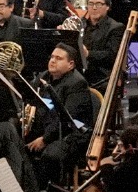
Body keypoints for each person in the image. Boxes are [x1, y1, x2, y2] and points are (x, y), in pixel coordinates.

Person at [27, 41, 94, 182]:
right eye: (52, 57)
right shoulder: (43, 77)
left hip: (71, 134)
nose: (52, 61)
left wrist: (44, 139)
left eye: (58, 58)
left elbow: (67, 119)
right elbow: (30, 100)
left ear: (71, 64)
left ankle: (49, 188)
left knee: (51, 155)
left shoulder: (77, 83)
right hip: (48, 127)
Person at [77, 0, 125, 88]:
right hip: (80, 72)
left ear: (107, 7)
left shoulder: (116, 27)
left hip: (102, 74)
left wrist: (88, 54)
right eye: (91, 4)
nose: (94, 8)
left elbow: (112, 55)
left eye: (99, 4)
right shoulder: (80, 23)